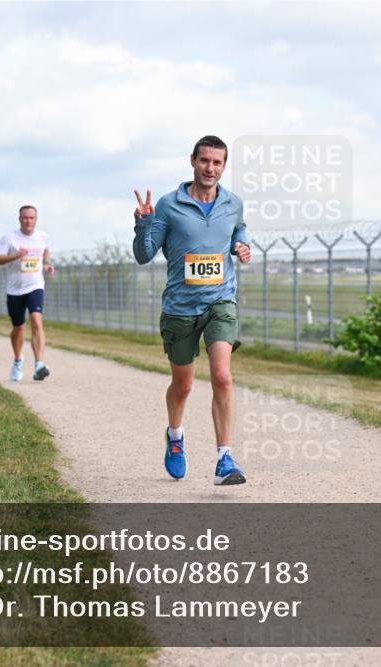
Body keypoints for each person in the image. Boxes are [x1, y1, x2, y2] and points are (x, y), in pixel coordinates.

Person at [132, 135, 252, 486]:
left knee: (222, 375)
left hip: (220, 302)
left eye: (217, 163)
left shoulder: (233, 203)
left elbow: (238, 231)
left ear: (224, 166)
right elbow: (144, 254)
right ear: (192, 161)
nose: (210, 168)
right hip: (180, 309)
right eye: (204, 161)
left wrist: (242, 246)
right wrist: (142, 224)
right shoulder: (169, 205)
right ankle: (174, 436)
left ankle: (225, 459)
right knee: (182, 386)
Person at [0, 205, 55, 381]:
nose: (28, 221)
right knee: (18, 327)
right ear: (19, 219)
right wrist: (16, 255)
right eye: (25, 218)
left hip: (35, 286)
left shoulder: (42, 237)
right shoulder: (10, 238)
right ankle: (18, 360)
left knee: (36, 320)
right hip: (14, 290)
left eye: (31, 218)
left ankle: (39, 364)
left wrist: (46, 264)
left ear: (36, 219)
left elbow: (45, 251)